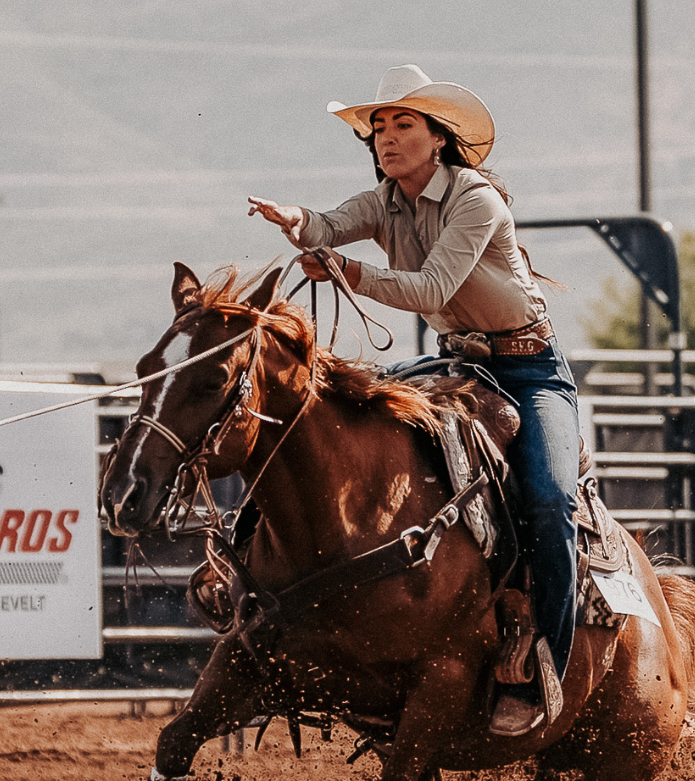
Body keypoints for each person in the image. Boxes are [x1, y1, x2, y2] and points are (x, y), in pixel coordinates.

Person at [246, 64, 578, 737]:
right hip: (461, 365)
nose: (387, 138)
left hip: (530, 371)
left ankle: (550, 661)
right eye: (379, 129)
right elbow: (331, 223)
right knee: (340, 424)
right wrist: (297, 223)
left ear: (439, 139)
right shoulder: (385, 201)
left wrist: (345, 268)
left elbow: (431, 289)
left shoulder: (477, 200)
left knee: (551, 500)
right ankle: (258, 579)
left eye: (403, 125)